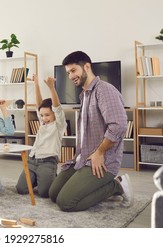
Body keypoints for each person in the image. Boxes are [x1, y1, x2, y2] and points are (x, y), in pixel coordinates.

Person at [49, 50, 133, 212]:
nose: (71, 76)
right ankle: (96, 186)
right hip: (84, 159)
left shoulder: (104, 90)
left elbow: (119, 125)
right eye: (68, 73)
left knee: (66, 202)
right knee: (54, 194)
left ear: (87, 67)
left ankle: (117, 185)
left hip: (103, 161)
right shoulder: (85, 95)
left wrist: (99, 152)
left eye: (73, 70)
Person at [16, 74, 66, 198]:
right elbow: (39, 103)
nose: (43, 118)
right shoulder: (43, 122)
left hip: (48, 162)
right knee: (21, 189)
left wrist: (51, 87)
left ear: (54, 114)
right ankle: (40, 179)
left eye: (47, 115)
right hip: (32, 160)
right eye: (42, 115)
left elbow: (57, 108)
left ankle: (52, 178)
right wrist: (36, 84)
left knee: (45, 193)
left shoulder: (59, 125)